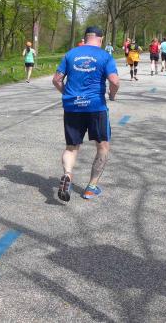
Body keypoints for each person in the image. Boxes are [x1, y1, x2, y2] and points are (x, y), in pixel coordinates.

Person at [52, 26, 120, 202]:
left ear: (85, 37)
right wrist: (112, 95)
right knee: (102, 146)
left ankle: (67, 174)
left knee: (71, 147)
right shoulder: (105, 56)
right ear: (101, 39)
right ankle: (91, 187)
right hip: (96, 107)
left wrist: (67, 94)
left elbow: (56, 79)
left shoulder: (70, 54)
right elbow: (114, 81)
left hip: (72, 107)